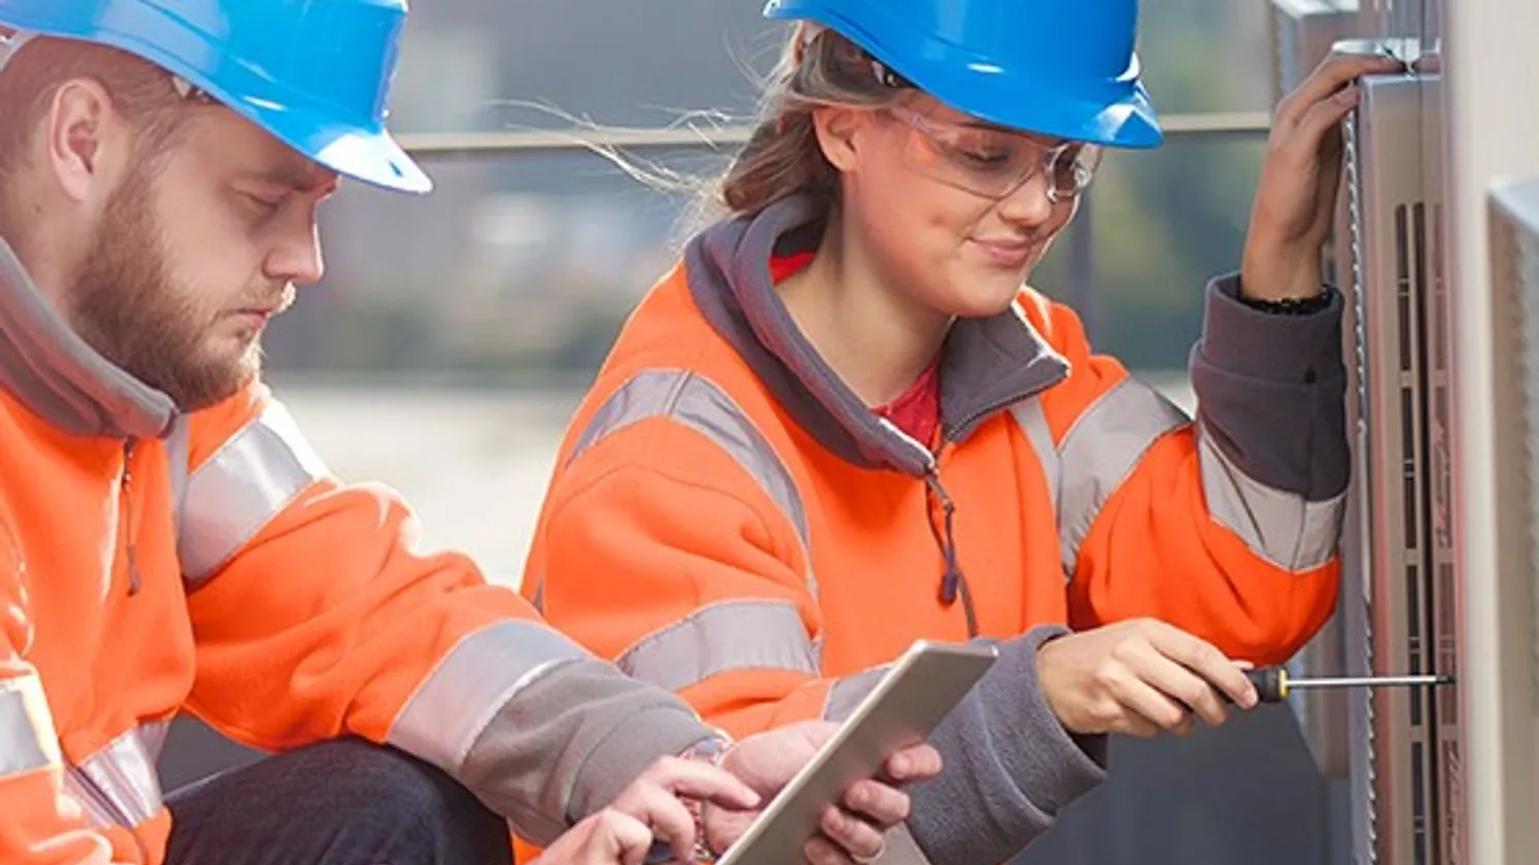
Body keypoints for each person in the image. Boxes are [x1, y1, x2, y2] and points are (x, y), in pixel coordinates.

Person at [0, 3, 941, 864]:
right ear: (81, 140)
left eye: (317, 207)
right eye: (259, 201)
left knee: (403, 801)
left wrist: (685, 769)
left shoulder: (156, 395)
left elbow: (381, 612)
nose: (306, 262)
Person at [523, 1, 1403, 862]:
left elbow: (1246, 590)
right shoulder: (672, 456)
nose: (1034, 208)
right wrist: (1040, 692)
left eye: (1064, 162)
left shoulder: (1024, 365)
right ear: (841, 127)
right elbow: (750, 832)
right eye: (984, 156)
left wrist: (1283, 262)